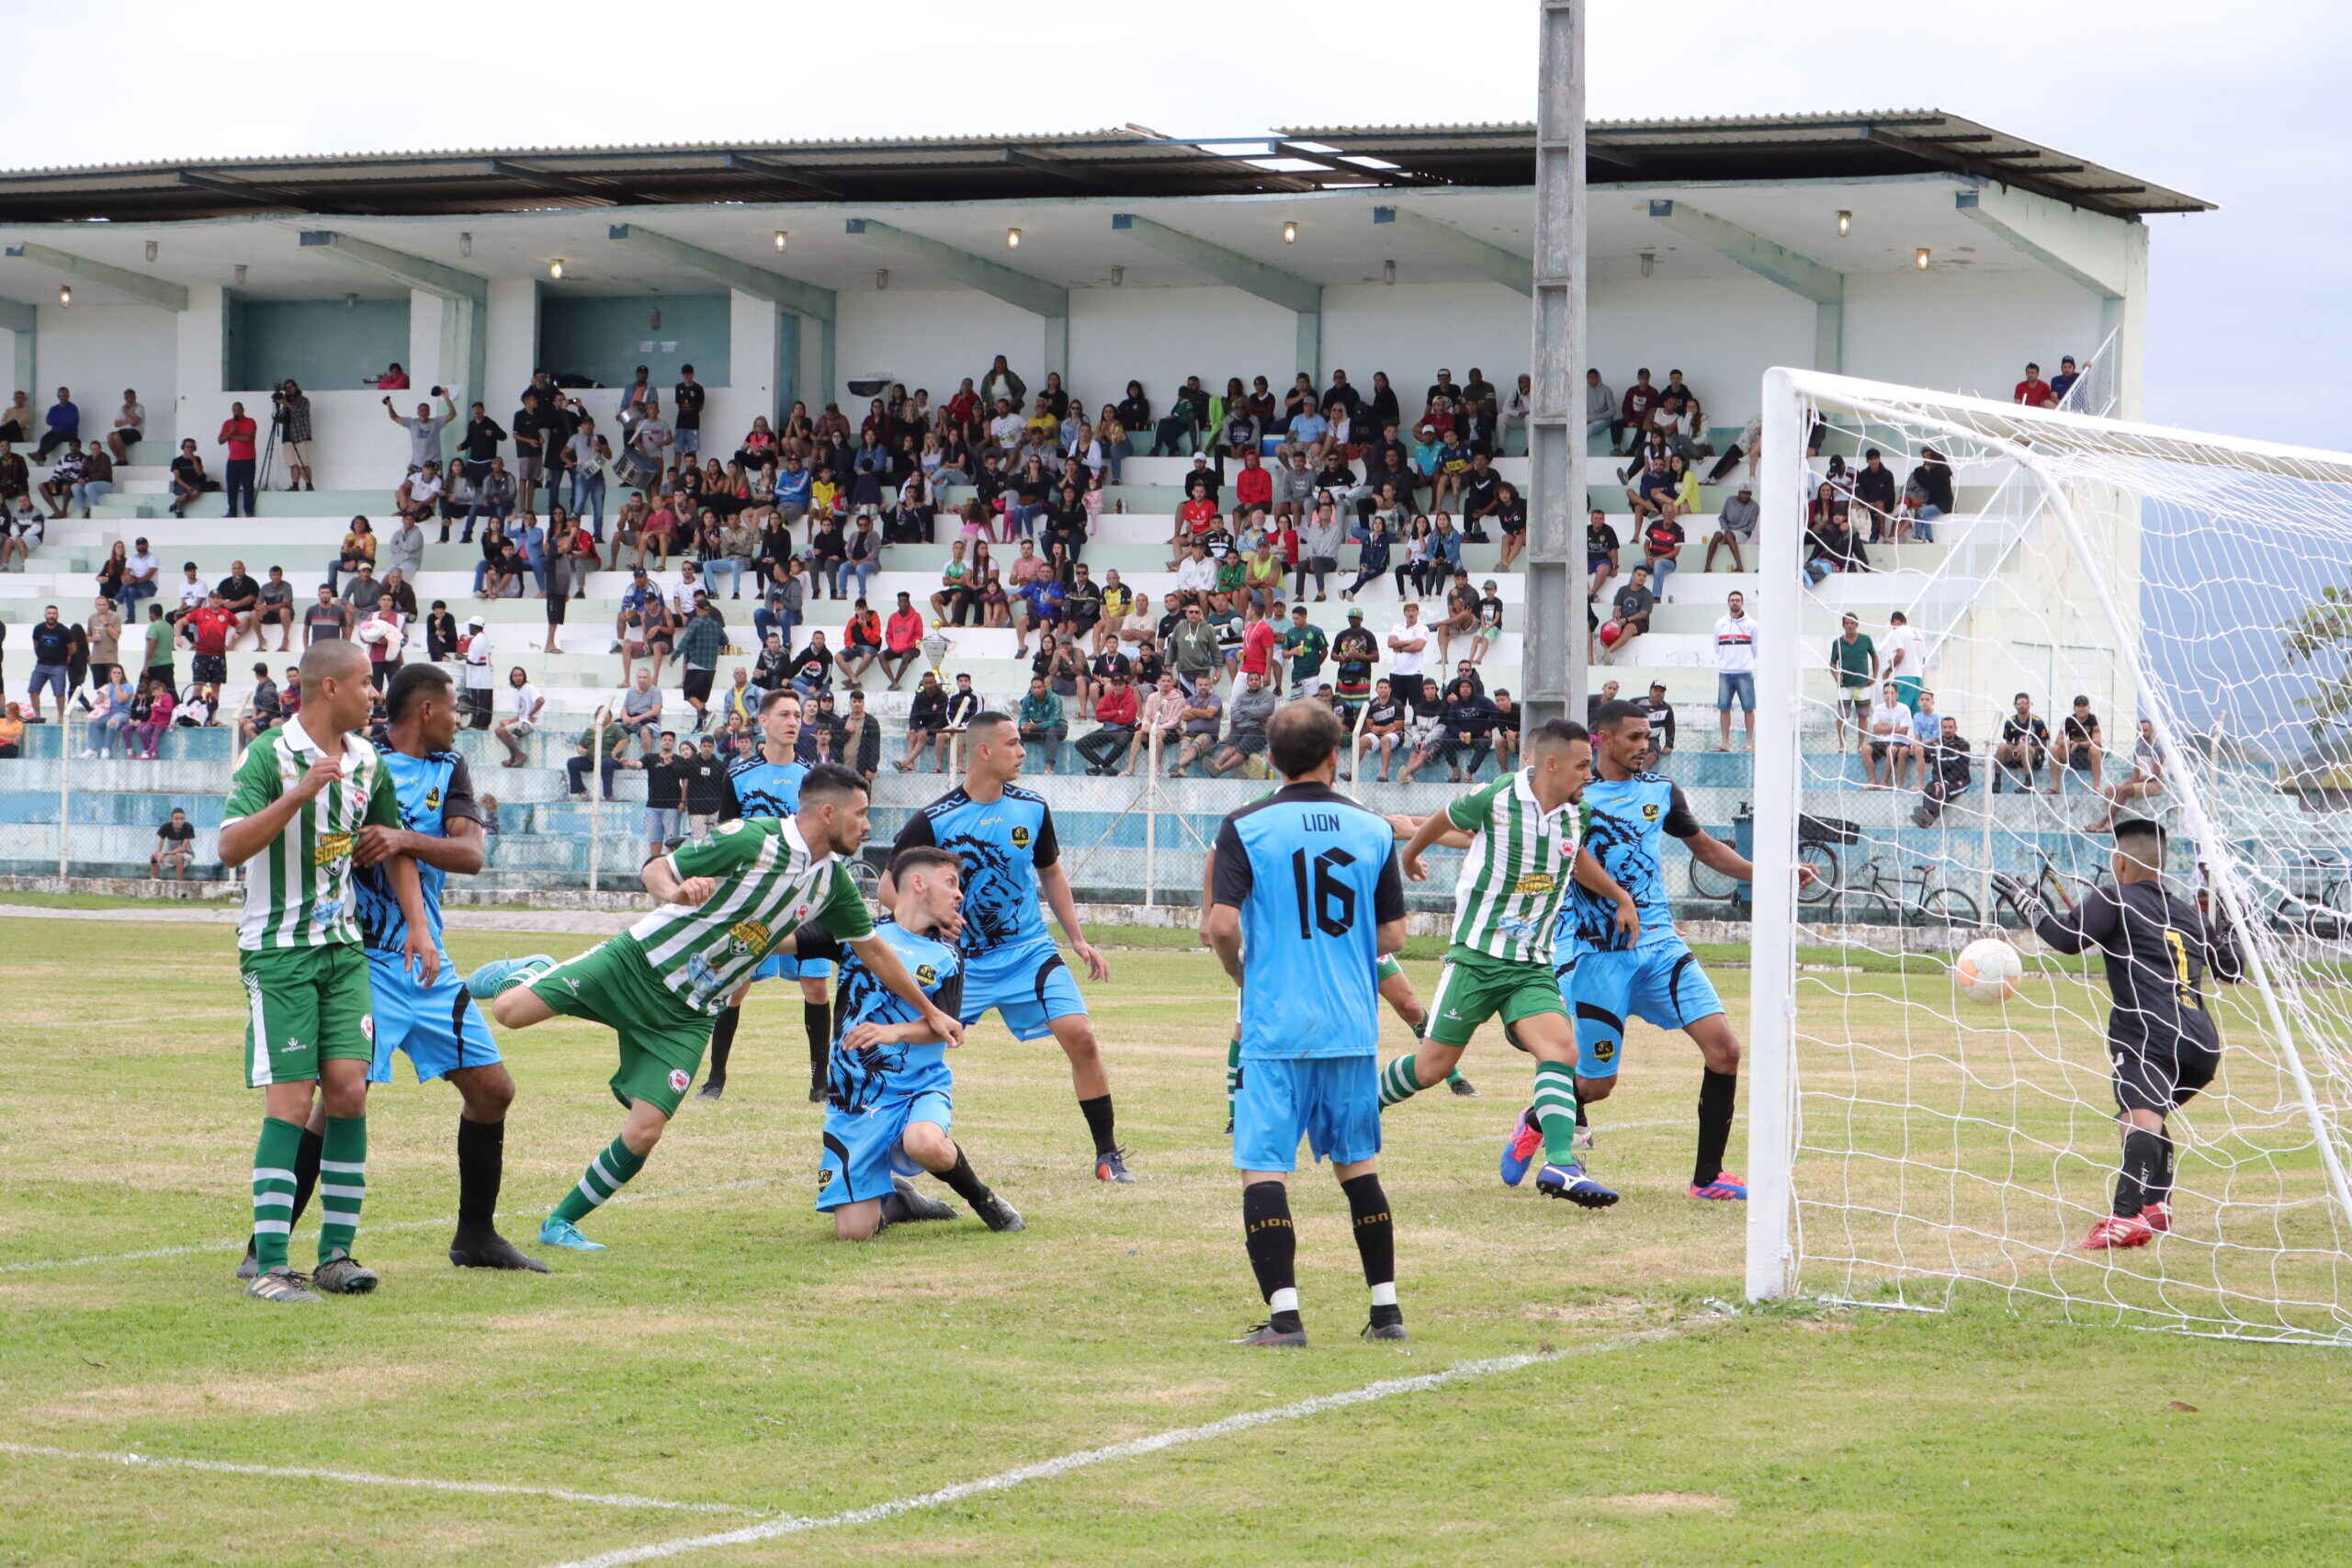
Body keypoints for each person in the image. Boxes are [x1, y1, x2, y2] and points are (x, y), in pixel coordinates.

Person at [462, 765, 958, 1252]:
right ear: (828, 812)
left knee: (645, 1130)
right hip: (638, 963)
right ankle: (533, 971)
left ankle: (560, 1223)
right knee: (509, 1012)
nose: (868, 826)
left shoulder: (832, 883)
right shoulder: (752, 839)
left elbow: (874, 951)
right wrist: (672, 891)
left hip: (691, 1013)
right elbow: (657, 869)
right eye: (861, 814)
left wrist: (928, 1011)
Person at [237, 663, 545, 1280]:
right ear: (426, 709)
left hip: (426, 962)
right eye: (454, 708)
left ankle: (476, 1235)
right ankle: (264, 1248)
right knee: (341, 1098)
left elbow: (471, 854)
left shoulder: (448, 770)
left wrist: (401, 839)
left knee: (493, 1089)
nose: (460, 720)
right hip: (363, 956)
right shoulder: (359, 762)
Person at [216, 638, 435, 1303]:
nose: (377, 695)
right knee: (291, 1100)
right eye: (368, 683)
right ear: (331, 688)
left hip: (343, 950)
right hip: (278, 953)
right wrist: (298, 794)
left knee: (349, 1090)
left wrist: (419, 927)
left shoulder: (369, 761)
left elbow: (393, 848)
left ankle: (336, 1254)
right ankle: (272, 1266)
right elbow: (228, 845)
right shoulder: (269, 755)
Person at [1204, 702, 1409, 1347]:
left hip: (1276, 1024)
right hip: (1350, 1023)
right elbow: (1394, 933)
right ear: (1335, 753)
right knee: (1359, 1166)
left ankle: (1286, 1316)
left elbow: (1221, 922)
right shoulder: (1373, 828)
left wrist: (1240, 971)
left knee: (1264, 1168)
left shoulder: (1246, 825)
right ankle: (1386, 1310)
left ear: (1269, 755)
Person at [1380, 722, 1638, 1210]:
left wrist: (1619, 895)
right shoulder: (1497, 795)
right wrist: (1411, 852)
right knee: (1432, 1068)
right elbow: (1441, 818)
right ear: (1552, 764)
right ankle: (1353, 1110)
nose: (1591, 773)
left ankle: (1560, 1163)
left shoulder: (1576, 812)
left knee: (1561, 1050)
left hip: (1531, 962)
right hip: (1477, 957)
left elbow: (1575, 857)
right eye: (1584, 764)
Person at [888, 712, 1129, 1180]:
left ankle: (1107, 1155)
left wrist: (1077, 939)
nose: (1022, 752)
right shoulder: (934, 821)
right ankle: (893, 1154)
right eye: (1014, 744)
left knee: (1081, 1037)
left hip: (1028, 952)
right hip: (964, 963)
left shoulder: (1032, 808)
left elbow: (1051, 872)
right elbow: (888, 887)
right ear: (984, 751)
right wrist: (935, 920)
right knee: (911, 1049)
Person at [1994, 820, 2243, 1250]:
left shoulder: (2115, 896)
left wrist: (2027, 903)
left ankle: (2125, 1217)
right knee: (2139, 1115)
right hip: (2202, 1045)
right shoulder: (2188, 913)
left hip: (2149, 1032)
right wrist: (2233, 923)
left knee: (2141, 1118)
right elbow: (2232, 970)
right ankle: (2156, 1206)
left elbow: (2068, 939)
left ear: (2120, 862)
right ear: (2162, 866)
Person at [794, 845, 1024, 1240]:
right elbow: (783, 940)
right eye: (950, 883)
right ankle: (900, 1200)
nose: (959, 894)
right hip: (856, 1100)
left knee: (924, 1142)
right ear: (918, 883)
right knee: (853, 1234)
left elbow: (947, 1028)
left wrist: (893, 1032)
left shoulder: (948, 954)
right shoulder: (858, 935)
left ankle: (983, 1200)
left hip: (918, 1088)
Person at [695, 691, 832, 1103]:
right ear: (764, 721)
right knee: (735, 987)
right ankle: (715, 1078)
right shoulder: (738, 774)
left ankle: (818, 1082)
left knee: (816, 988)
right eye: (785, 715)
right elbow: (726, 837)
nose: (794, 721)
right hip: (753, 900)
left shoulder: (814, 777)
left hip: (805, 897)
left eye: (797, 715)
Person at [2086, 719, 2166, 834]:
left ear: (2152, 731)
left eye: (2146, 730)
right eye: (2141, 730)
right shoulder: (2138, 749)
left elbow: (2155, 774)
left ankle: (2102, 822)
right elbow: (2136, 772)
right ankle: (2112, 824)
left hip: (2153, 784)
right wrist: (2128, 781)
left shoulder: (2157, 748)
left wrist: (2133, 783)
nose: (2143, 733)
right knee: (2110, 790)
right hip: (2140, 782)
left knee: (2125, 790)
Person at [1829, 614, 1879, 758]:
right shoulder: (1837, 643)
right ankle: (1842, 744)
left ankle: (1861, 744)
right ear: (1843, 625)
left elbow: (1875, 657)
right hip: (1845, 686)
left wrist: (1874, 676)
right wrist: (1836, 676)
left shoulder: (1865, 640)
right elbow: (1833, 663)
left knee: (1863, 716)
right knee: (1842, 716)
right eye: (1847, 623)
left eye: (1852, 623)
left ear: (1857, 624)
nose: (1850, 626)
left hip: (1862, 685)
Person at [1913, 712, 1974, 828]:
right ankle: (1927, 816)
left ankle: (1928, 817)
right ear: (1941, 728)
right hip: (1941, 779)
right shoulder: (1936, 745)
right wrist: (1937, 782)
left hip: (1960, 780)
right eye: (1945, 727)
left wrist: (1943, 782)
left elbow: (1961, 769)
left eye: (1950, 727)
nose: (1947, 730)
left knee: (1943, 789)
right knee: (1929, 788)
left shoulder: (1963, 745)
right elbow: (1936, 768)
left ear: (1956, 729)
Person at [1995, 691, 2052, 794]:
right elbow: (2009, 743)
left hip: (2035, 758)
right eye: (2020, 703)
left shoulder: (2038, 722)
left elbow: (2044, 745)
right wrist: (2016, 750)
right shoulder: (2010, 722)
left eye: (2025, 703)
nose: (2023, 706)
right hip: (2016, 756)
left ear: (2030, 705)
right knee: (2002, 747)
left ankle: (2029, 782)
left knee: (2023, 747)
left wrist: (2023, 748)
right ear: (2015, 705)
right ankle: (1997, 781)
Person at [1865, 680, 1917, 790]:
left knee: (1891, 750)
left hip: (1899, 741)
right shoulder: (1879, 708)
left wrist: (1884, 727)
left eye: (1891, 693)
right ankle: (1873, 780)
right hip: (1881, 741)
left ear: (1897, 695)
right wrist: (1895, 727)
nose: (1888, 695)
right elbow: (1876, 730)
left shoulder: (1904, 709)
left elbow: (1903, 731)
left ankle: (1884, 782)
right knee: (1865, 749)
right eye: (1886, 693)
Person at [2058, 694, 2105, 796]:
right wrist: (2067, 744)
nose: (2081, 708)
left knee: (2095, 749)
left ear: (2089, 707)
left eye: (2084, 705)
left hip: (2088, 755)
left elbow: (2097, 741)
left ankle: (2097, 786)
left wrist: (2079, 744)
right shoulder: (2068, 720)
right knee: (2054, 749)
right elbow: (2058, 741)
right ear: (2074, 708)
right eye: (2078, 705)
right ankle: (2055, 786)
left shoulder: (2094, 720)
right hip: (2072, 754)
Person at [151, 807, 197, 880]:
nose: (179, 821)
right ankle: (154, 880)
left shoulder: (188, 827)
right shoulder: (165, 827)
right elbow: (160, 845)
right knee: (154, 856)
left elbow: (183, 848)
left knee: (179, 855)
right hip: (170, 855)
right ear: (171, 819)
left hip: (186, 855)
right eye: (176, 818)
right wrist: (159, 854)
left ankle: (179, 882)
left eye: (182, 819)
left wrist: (166, 853)